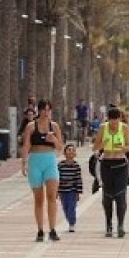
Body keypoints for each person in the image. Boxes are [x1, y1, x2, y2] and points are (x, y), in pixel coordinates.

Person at [20, 99, 63, 242]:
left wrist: (53, 140)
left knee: (52, 196)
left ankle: (52, 229)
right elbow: (26, 145)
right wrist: (23, 163)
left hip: (50, 161)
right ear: (39, 110)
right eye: (43, 109)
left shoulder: (54, 126)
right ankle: (40, 230)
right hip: (35, 161)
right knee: (38, 199)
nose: (46, 112)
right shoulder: (31, 126)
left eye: (48, 110)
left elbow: (60, 147)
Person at [93, 106, 129, 238]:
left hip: (120, 164)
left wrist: (122, 148)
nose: (114, 123)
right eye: (111, 120)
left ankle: (121, 225)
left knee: (120, 195)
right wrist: (102, 145)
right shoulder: (103, 128)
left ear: (120, 119)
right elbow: (95, 147)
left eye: (116, 120)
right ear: (108, 119)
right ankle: (108, 223)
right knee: (108, 195)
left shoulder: (124, 128)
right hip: (107, 164)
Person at [57, 143, 83, 233]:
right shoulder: (60, 165)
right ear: (64, 153)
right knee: (65, 207)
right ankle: (69, 220)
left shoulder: (76, 166)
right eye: (69, 150)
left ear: (75, 153)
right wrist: (56, 191)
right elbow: (57, 178)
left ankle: (72, 223)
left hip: (72, 191)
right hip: (62, 190)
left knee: (71, 207)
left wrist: (78, 192)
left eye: (73, 150)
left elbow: (78, 179)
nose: (71, 152)